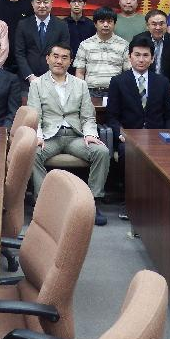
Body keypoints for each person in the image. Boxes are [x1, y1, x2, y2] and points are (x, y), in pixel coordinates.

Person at [28, 43, 111, 226]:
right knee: (32, 153)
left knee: (102, 152)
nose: (59, 61)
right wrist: (38, 136)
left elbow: (88, 116)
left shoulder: (80, 84)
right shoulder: (37, 84)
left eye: (64, 57)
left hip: (75, 136)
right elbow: (35, 115)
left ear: (70, 61)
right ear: (48, 58)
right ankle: (44, 204)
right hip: (50, 137)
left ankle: (92, 203)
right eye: (56, 56)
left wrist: (90, 134)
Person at [105, 36, 170, 220]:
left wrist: (168, 135)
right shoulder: (118, 81)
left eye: (146, 55)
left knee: (169, 153)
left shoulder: (162, 82)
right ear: (130, 57)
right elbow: (112, 116)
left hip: (157, 137)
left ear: (152, 58)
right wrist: (120, 133)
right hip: (129, 137)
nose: (141, 59)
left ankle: (157, 201)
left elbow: (169, 116)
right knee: (126, 152)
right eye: (137, 55)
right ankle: (129, 201)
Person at [14, 0, 70, 84]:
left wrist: (52, 76)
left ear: (51, 3)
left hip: (54, 79)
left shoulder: (62, 25)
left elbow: (64, 53)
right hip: (27, 80)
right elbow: (19, 53)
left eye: (45, 2)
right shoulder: (23, 25)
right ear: (32, 4)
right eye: (38, 2)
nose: (42, 5)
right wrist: (30, 76)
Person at [73, 6, 130, 96]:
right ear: (95, 24)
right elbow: (80, 73)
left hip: (115, 92)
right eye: (102, 21)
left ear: (114, 24)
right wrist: (81, 93)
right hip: (90, 92)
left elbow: (128, 72)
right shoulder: (85, 45)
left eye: (109, 21)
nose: (106, 25)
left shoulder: (124, 45)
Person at [132, 9, 170, 97]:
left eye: (161, 24)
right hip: (143, 86)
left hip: (169, 88)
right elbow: (135, 66)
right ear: (147, 26)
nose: (158, 27)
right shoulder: (139, 40)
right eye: (154, 24)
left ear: (167, 24)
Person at [64, 0, 95, 74]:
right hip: (66, 65)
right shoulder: (62, 24)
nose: (76, 5)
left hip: (87, 65)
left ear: (84, 4)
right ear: (69, 3)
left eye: (80, 2)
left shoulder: (91, 25)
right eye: (73, 1)